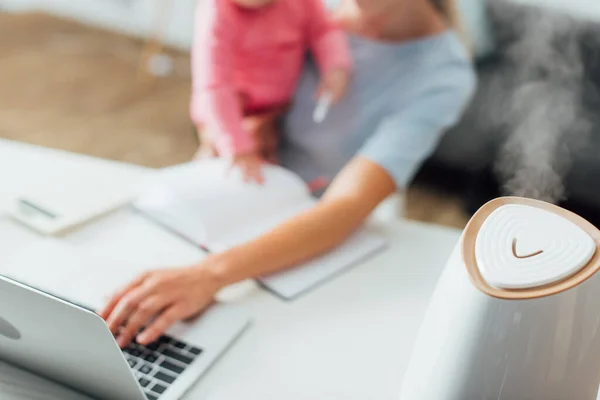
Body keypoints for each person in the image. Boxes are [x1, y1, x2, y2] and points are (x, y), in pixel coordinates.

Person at [101, 0, 477, 348]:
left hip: (317, 234)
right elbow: (231, 87)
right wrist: (246, 127)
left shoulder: (442, 76)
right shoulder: (311, 8)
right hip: (240, 198)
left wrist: (209, 276)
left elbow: (347, 204)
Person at [191, 0, 352, 183]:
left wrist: (336, 65)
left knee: (265, 166)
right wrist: (239, 148)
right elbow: (214, 86)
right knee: (220, 164)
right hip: (226, 111)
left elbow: (324, 28)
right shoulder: (216, 12)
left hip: (273, 110)